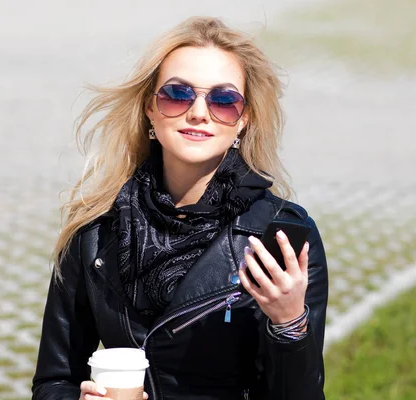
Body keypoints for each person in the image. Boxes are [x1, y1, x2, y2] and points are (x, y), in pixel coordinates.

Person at [32, 16, 328, 400]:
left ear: (244, 119)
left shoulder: (280, 238)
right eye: (177, 94)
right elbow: (54, 381)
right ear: (150, 109)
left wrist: (289, 323)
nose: (198, 112)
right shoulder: (95, 231)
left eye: (224, 100)